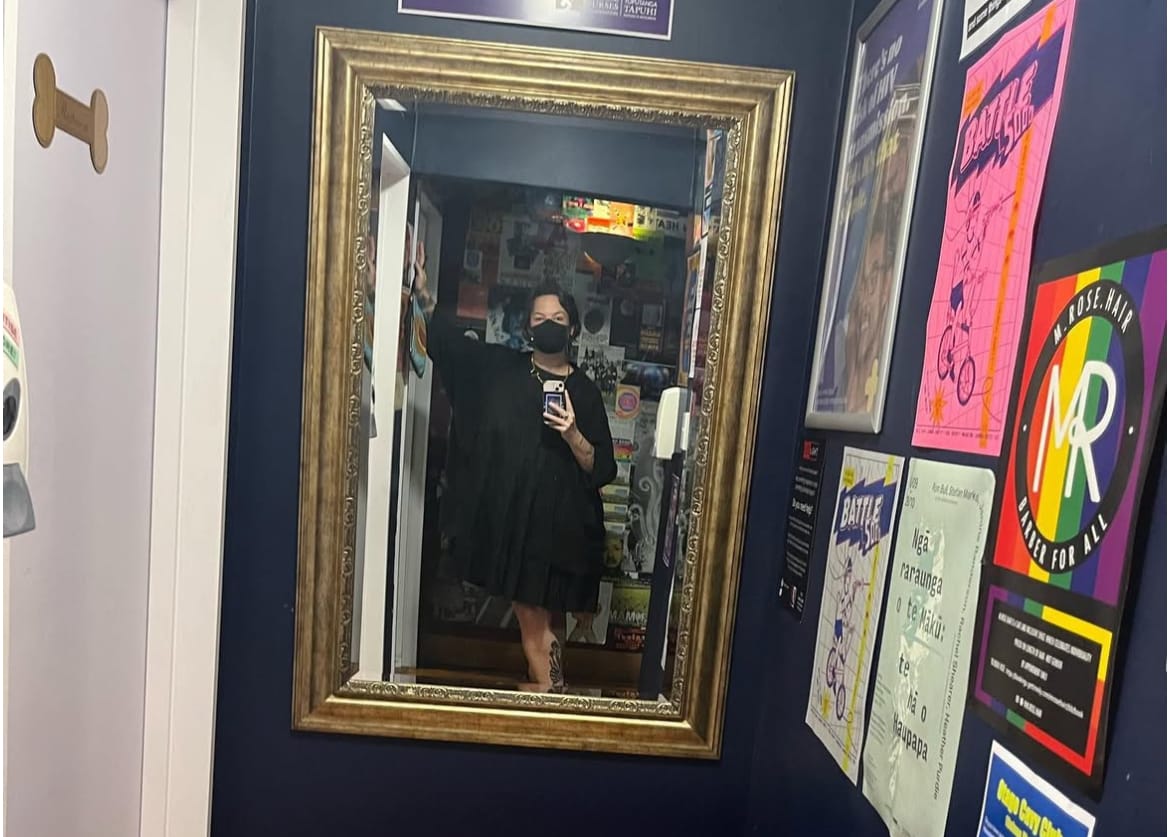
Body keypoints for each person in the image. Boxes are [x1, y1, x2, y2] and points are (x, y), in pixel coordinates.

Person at [411, 250, 617, 692]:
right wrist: (424, 296)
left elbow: (601, 468)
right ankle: (549, 688)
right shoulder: (501, 370)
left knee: (539, 615)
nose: (548, 325)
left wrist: (573, 433)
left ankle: (549, 692)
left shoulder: (584, 392)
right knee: (537, 614)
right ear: (528, 328)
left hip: (560, 531)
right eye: (540, 318)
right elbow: (454, 351)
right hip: (513, 523)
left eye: (558, 318)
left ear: (573, 328)